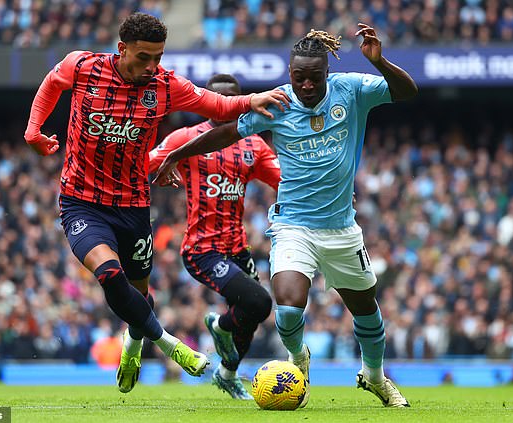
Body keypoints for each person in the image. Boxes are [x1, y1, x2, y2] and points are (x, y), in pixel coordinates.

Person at [154, 24, 418, 408]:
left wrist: (380, 63)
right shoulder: (277, 102)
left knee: (367, 310)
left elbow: (407, 92)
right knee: (289, 308)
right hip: (293, 225)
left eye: (313, 78)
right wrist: (177, 155)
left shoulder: (353, 88)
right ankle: (298, 361)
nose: (306, 86)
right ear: (290, 75)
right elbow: (226, 132)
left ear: (327, 74)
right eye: (298, 78)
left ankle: (374, 377)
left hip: (342, 227)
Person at [23, 12, 289, 393]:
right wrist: (34, 129)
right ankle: (170, 345)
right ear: (121, 48)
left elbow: (216, 105)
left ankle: (134, 343)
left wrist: (252, 99)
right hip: (81, 201)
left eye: (158, 57)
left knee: (139, 292)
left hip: (133, 205)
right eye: (144, 57)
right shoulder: (83, 66)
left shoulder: (165, 86)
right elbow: (52, 83)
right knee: (110, 276)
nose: (152, 66)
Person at [149, 73, 281, 400]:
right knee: (258, 300)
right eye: (216, 101)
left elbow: (284, 181)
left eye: (229, 101)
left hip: (236, 248)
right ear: (206, 102)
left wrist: (324, 194)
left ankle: (227, 374)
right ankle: (220, 327)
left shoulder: (252, 145)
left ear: (239, 103)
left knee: (255, 312)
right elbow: (147, 163)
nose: (222, 109)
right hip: (202, 250)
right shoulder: (187, 138)